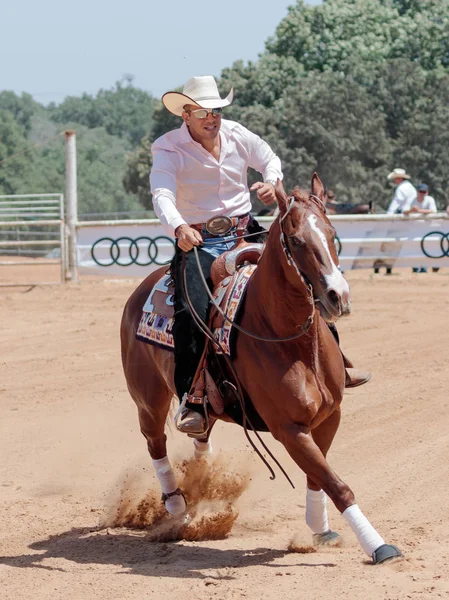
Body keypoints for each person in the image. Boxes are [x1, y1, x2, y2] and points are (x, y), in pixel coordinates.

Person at [150, 75, 370, 435]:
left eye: (217, 111)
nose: (212, 118)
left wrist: (271, 182)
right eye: (204, 112)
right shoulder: (168, 149)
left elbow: (269, 158)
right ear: (186, 114)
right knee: (192, 309)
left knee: (304, 278)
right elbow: (162, 193)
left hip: (246, 228)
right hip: (199, 239)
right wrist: (179, 227)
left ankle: (337, 365)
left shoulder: (237, 134)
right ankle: (194, 397)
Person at [374, 168, 418, 275]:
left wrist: (389, 216)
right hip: (408, 218)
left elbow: (396, 203)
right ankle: (416, 266)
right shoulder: (410, 187)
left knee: (390, 242)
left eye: (395, 179)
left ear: (398, 178)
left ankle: (383, 266)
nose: (394, 181)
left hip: (400, 218)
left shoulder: (401, 188)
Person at [404, 183, 437, 272]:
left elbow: (433, 211)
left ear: (427, 193)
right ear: (417, 192)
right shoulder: (411, 200)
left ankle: (424, 268)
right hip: (414, 229)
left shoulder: (430, 200)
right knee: (414, 248)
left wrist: (418, 211)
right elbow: (404, 211)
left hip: (426, 229)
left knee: (425, 248)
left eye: (424, 192)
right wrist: (411, 210)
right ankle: (415, 267)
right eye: (420, 191)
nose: (422, 193)